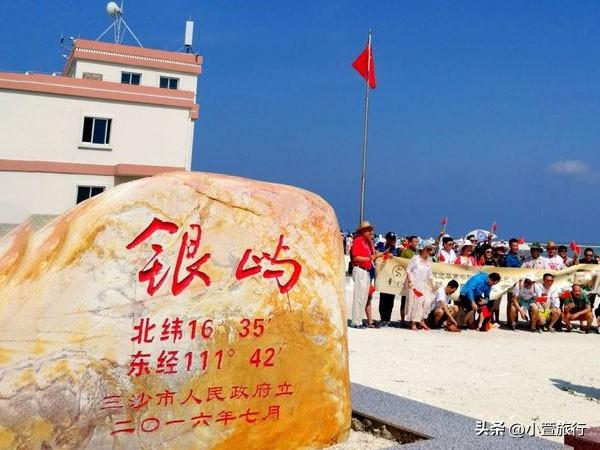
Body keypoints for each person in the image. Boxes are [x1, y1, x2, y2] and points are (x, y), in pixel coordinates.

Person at [350, 221, 379, 328]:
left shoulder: (367, 243)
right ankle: (356, 321)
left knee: (363, 297)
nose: (371, 232)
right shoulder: (358, 241)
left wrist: (373, 250)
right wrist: (369, 258)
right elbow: (355, 257)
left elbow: (372, 255)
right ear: (363, 231)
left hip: (366, 270)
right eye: (369, 230)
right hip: (360, 269)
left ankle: (359, 320)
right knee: (359, 296)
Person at [405, 244, 436, 331]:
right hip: (415, 283)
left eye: (431, 250)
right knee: (416, 303)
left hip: (424, 284)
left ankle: (422, 320)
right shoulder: (415, 258)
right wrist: (410, 281)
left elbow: (430, 276)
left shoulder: (429, 261)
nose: (430, 251)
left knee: (427, 302)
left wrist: (433, 286)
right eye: (428, 249)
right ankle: (414, 323)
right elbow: (408, 270)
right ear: (423, 249)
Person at [376, 232, 399, 327]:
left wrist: (394, 257)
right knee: (383, 299)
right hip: (383, 276)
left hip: (392, 277)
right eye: (391, 239)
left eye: (394, 239)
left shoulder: (397, 250)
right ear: (387, 239)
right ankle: (383, 318)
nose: (393, 241)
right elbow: (376, 254)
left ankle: (388, 319)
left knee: (391, 300)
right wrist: (384, 254)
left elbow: (399, 260)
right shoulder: (381, 246)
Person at [399, 236, 419, 326]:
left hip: (416, 279)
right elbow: (400, 262)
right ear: (410, 243)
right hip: (407, 278)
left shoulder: (418, 252)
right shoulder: (406, 252)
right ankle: (403, 320)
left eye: (417, 241)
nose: (416, 243)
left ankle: (412, 320)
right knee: (404, 300)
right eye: (414, 241)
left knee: (414, 300)